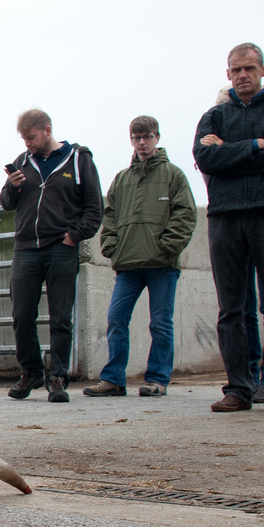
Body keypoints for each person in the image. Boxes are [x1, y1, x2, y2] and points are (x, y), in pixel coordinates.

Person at [192, 42, 264, 414]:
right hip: (225, 217)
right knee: (232, 308)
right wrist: (255, 145)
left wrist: (229, 152)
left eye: (250, 68)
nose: (243, 75)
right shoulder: (214, 116)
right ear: (227, 74)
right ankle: (238, 387)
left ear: (263, 69)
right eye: (236, 70)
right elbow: (204, 157)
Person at [83, 116, 195, 397]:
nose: (142, 142)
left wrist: (167, 246)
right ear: (131, 140)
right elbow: (109, 217)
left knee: (160, 322)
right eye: (137, 137)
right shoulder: (121, 179)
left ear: (157, 137)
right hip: (128, 265)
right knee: (116, 318)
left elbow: (185, 214)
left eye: (147, 136)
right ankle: (113, 379)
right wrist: (111, 247)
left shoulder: (174, 175)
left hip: (162, 265)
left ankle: (157, 379)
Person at [0, 109, 102, 403]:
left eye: (30, 137)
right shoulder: (22, 162)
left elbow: (95, 208)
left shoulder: (79, 159)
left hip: (61, 248)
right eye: (23, 139)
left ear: (47, 130)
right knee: (21, 314)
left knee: (60, 317)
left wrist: (74, 235)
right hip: (26, 248)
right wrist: (12, 185)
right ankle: (31, 371)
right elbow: (7, 204)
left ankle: (57, 376)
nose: (27, 143)